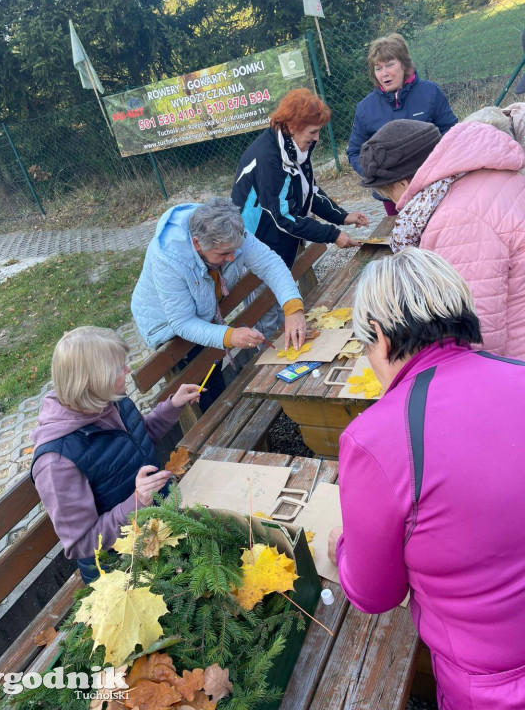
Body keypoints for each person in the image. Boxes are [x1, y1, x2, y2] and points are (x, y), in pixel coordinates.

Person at [327, 248, 525, 710]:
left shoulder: (376, 437)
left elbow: (375, 593)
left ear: (378, 334)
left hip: (490, 684)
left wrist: (342, 547)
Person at [30, 326, 201, 583]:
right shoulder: (57, 462)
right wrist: (137, 502)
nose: (127, 370)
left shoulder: (109, 401)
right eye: (119, 368)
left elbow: (137, 441)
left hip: (157, 522)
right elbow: (81, 543)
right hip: (120, 568)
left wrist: (171, 407)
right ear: (93, 381)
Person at [359, 117, 525, 359]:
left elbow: (475, 333)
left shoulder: (455, 218)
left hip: (512, 365)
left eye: (390, 195)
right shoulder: (484, 174)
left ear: (405, 182)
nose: (396, 205)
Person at [131, 196, 307, 356]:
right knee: (200, 381)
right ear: (197, 244)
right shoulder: (168, 259)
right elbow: (183, 321)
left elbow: (270, 264)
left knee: (211, 365)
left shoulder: (227, 229)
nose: (232, 257)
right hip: (168, 329)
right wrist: (231, 335)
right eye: (224, 254)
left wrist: (293, 308)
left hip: (202, 314)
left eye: (234, 250)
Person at [231, 88, 369, 271]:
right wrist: (333, 235)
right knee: (267, 298)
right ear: (292, 126)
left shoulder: (295, 147)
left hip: (278, 239)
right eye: (313, 132)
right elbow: (286, 217)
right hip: (255, 246)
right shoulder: (268, 158)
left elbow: (309, 190)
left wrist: (343, 216)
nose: (317, 138)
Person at [347, 33, 457, 216]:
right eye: (378, 68)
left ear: (405, 65)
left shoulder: (430, 92)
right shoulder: (365, 108)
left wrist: (437, 163)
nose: (384, 73)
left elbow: (451, 131)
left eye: (390, 64)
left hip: (433, 184)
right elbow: (354, 151)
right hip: (392, 196)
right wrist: (377, 176)